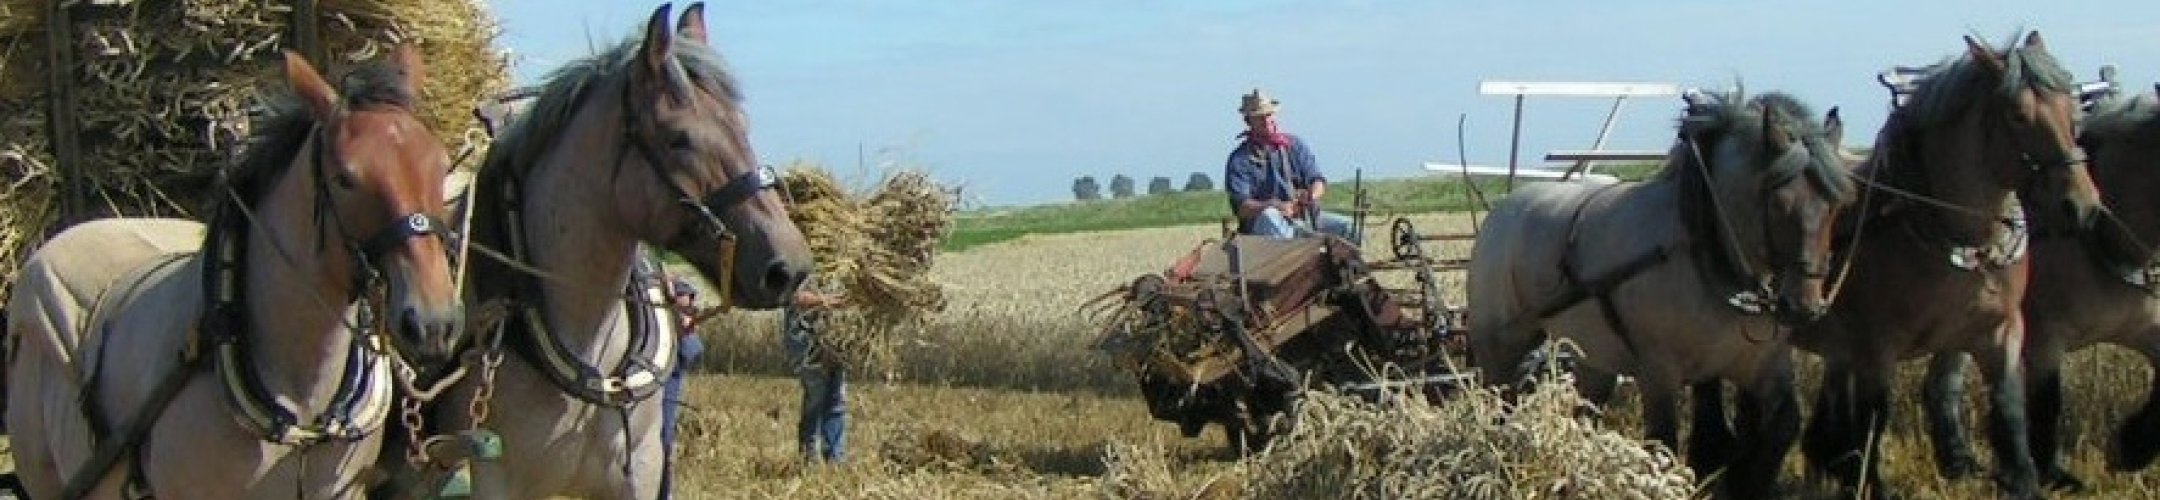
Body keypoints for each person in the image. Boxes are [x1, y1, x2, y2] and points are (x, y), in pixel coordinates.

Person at [1222, 88, 1360, 243]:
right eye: (1259, 117)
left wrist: (1310, 196)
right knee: (1270, 216)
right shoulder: (1239, 159)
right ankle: (1300, 248)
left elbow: (1318, 180)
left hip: (1304, 217)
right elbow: (1242, 207)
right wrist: (1274, 206)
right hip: (1264, 226)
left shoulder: (1295, 145)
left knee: (1350, 228)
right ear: (1248, 121)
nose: (1267, 120)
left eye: (1269, 115)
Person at [783, 284, 847, 463]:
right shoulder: (798, 267)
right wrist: (828, 301)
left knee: (837, 402)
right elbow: (795, 298)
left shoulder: (836, 270)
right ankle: (809, 458)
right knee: (816, 400)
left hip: (833, 342)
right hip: (807, 345)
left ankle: (836, 459)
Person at [659, 276, 707, 499]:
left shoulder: (685, 326)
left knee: (665, 441)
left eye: (687, 296)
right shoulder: (658, 319)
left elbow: (691, 354)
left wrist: (684, 327)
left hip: (668, 386)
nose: (686, 299)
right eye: (680, 295)